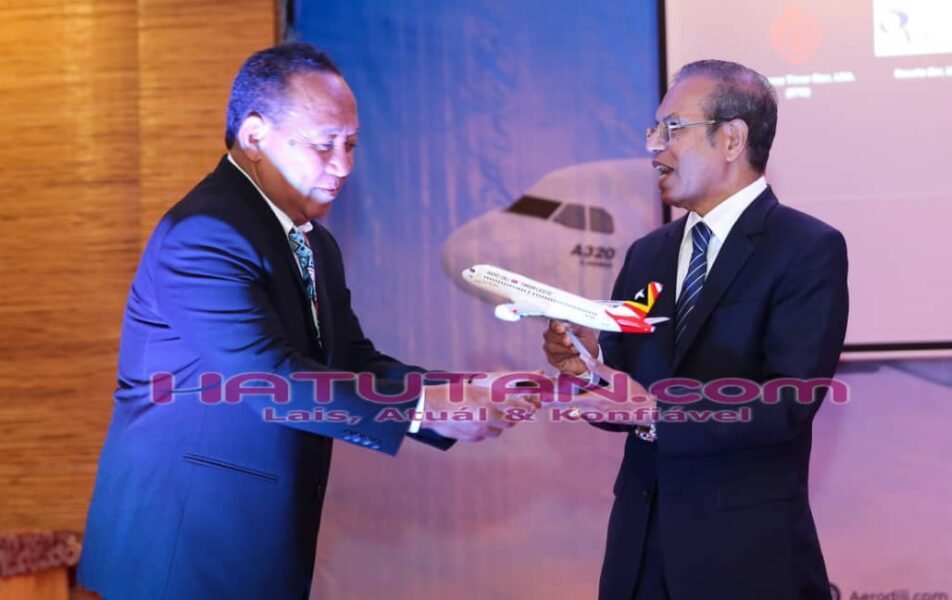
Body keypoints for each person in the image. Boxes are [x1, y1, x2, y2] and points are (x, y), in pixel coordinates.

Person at [78, 42, 533, 599]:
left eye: (351, 144)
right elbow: (270, 382)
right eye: (324, 144)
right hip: (182, 548)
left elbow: (353, 362)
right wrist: (425, 409)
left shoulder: (314, 242)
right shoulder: (204, 235)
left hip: (252, 546)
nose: (343, 166)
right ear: (254, 137)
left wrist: (461, 391)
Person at [544, 60, 849, 599]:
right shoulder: (647, 254)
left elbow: (787, 401)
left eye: (672, 129)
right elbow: (623, 385)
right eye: (654, 131)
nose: (655, 148)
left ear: (732, 139)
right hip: (639, 552)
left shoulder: (806, 249)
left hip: (745, 559)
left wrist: (654, 412)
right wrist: (589, 366)